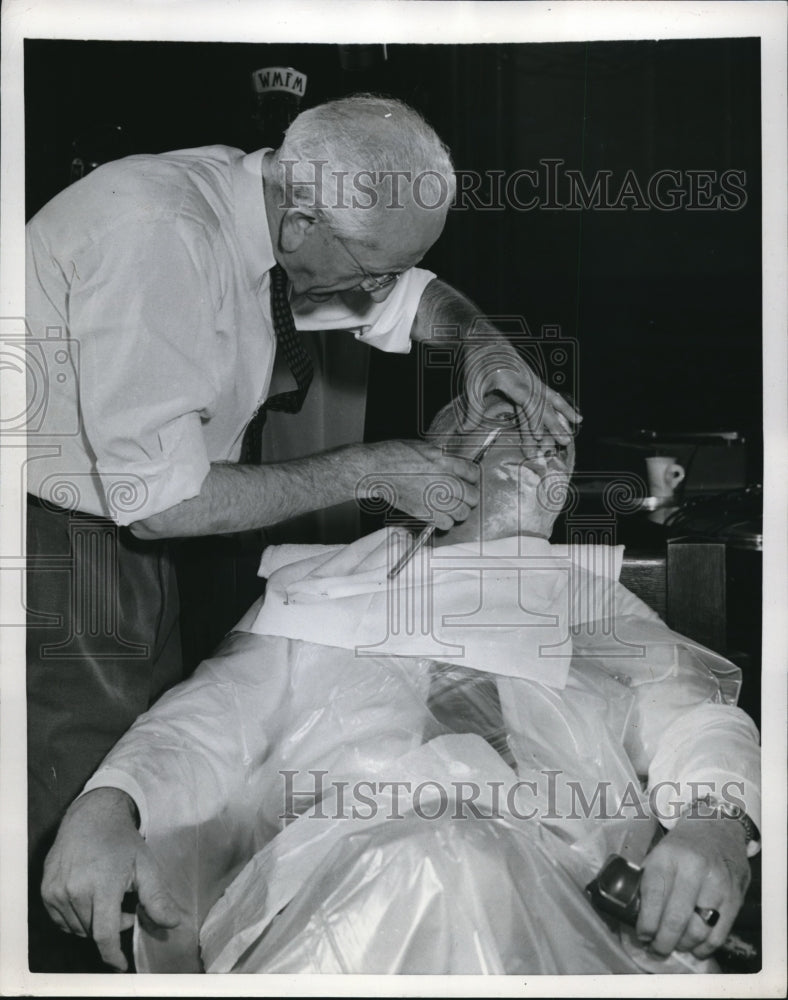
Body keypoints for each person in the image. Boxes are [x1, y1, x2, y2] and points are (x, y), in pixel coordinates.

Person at [25, 94, 580, 969]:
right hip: (58, 551)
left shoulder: (285, 216)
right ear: (304, 217)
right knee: (74, 840)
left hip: (150, 535)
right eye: (366, 269)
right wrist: (369, 469)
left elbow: (413, 295)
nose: (369, 295)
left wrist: (483, 348)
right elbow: (161, 501)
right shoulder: (161, 237)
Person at [41, 400, 759, 975]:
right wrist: (114, 802)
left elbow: (692, 714)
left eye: (554, 440)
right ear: (433, 462)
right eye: (502, 421)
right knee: (445, 863)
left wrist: (716, 821)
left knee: (465, 862)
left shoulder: (592, 602)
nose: (536, 443)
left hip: (570, 894)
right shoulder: (319, 590)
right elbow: (208, 718)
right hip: (338, 886)